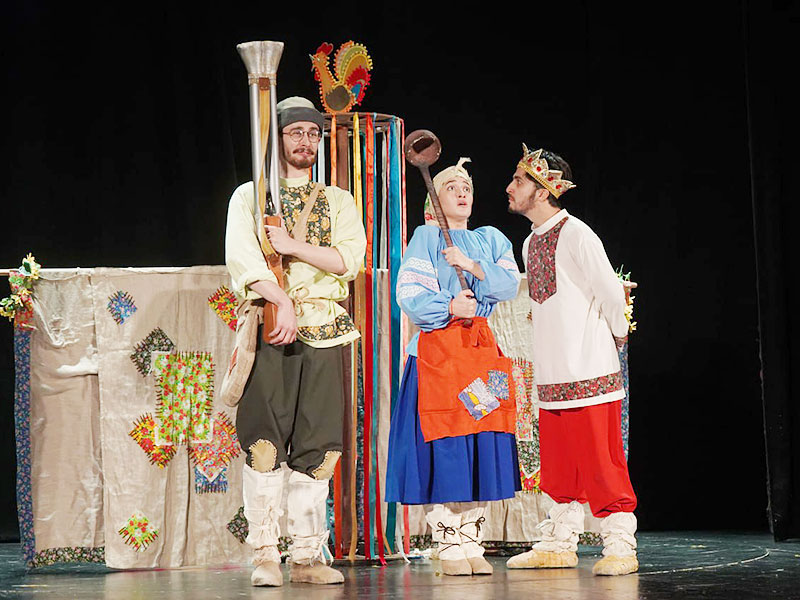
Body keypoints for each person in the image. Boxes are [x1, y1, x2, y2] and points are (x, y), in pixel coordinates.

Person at [225, 97, 366, 586]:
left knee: (320, 445)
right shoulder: (250, 195)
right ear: (278, 139)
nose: (306, 141)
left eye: (312, 133)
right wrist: (279, 299)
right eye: (295, 132)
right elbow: (242, 258)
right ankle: (265, 553)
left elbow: (349, 261)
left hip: (327, 328)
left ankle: (307, 555)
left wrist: (293, 246)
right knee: (264, 442)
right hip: (273, 323)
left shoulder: (338, 200)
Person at [505, 145, 638, 576]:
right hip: (552, 375)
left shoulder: (578, 233)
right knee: (560, 467)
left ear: (543, 191)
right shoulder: (530, 242)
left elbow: (610, 291)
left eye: (519, 181)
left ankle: (620, 544)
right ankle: (559, 543)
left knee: (602, 462)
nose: (509, 188)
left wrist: (616, 335)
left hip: (590, 370)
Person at [385, 158, 522, 576]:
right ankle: (448, 542)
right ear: (434, 201)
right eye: (451, 187)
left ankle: (471, 540)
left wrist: (472, 266)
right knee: (447, 441)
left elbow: (508, 284)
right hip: (440, 352)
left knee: (482, 438)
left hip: (481, 351)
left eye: (467, 187)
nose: (463, 192)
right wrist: (448, 305)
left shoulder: (490, 238)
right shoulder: (427, 237)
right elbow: (409, 293)